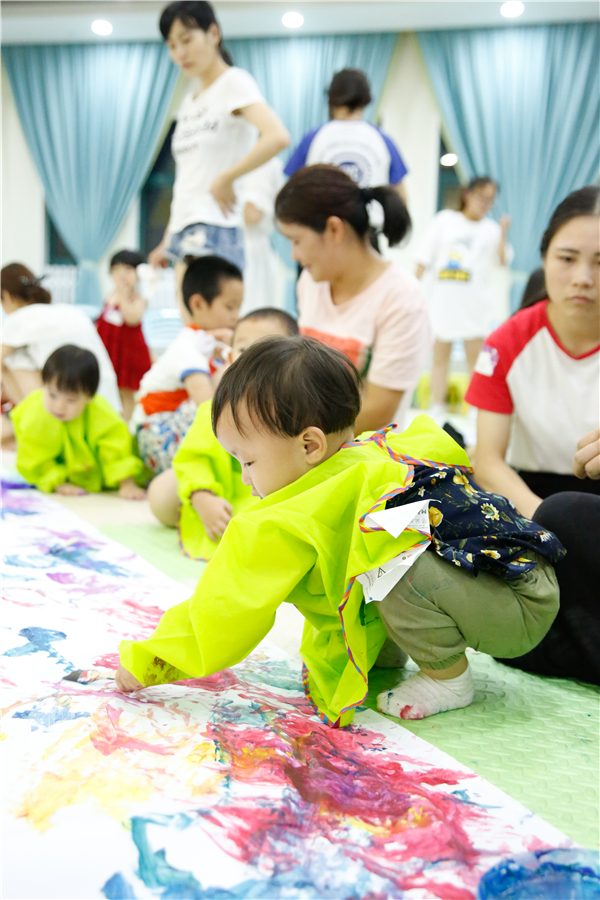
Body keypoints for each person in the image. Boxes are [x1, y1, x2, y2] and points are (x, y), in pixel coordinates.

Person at [115, 337, 563, 726]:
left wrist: (155, 660)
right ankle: (401, 652)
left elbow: (225, 609)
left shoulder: (291, 513)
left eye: (248, 462)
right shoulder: (368, 455)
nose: (245, 478)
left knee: (389, 564)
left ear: (310, 445)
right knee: (377, 557)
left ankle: (450, 681)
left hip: (513, 605)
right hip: (521, 581)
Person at [466, 185, 600, 686]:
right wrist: (542, 524)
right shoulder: (510, 341)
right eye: (567, 258)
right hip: (531, 504)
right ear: (544, 257)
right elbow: (489, 461)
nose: (583, 278)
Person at [148, 0, 289, 296]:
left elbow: (276, 136)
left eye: (187, 40)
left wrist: (227, 178)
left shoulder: (234, 82)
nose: (180, 53)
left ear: (213, 33)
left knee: (216, 328)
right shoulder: (190, 102)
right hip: (184, 227)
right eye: (172, 46)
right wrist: (168, 237)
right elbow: (188, 177)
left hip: (216, 225)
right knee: (194, 330)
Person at [275, 165, 431, 433]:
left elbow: (378, 412)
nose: (294, 255)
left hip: (363, 458)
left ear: (334, 229)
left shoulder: (401, 298)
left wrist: (297, 443)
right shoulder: (310, 283)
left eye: (297, 240)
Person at [147, 308, 299, 560]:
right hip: (219, 488)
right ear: (229, 357)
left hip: (264, 494)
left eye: (264, 352)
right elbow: (194, 458)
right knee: (160, 496)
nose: (250, 361)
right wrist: (201, 497)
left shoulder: (296, 407)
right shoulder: (217, 407)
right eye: (242, 350)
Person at [134, 255, 243, 475]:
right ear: (198, 304)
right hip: (154, 433)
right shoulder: (188, 346)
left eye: (239, 308)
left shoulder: (210, 343)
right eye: (230, 307)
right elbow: (207, 405)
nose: (236, 316)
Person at [415, 177, 512, 420]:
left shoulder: (491, 230)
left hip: (474, 304)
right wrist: (412, 291)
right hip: (442, 301)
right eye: (482, 196)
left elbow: (502, 261)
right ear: (468, 194)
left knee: (475, 359)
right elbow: (424, 258)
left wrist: (503, 233)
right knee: (439, 357)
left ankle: (475, 408)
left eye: (490, 199)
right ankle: (438, 405)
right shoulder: (445, 220)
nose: (485, 203)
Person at [10, 345, 146, 499]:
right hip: (60, 474)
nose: (59, 406)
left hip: (98, 474)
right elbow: (34, 454)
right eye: (52, 395)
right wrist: (56, 481)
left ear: (89, 397)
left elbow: (116, 447)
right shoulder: (35, 412)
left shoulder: (100, 412)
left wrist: (126, 483)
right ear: (44, 385)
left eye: (71, 400)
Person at [1, 263, 121, 423]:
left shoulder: (21, 317)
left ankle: (29, 418)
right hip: (107, 403)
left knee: (12, 358)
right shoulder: (66, 310)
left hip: (72, 405)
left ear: (6, 295)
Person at [285, 68, 408, 204]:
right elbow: (401, 197)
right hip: (371, 223)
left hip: (323, 222)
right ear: (366, 99)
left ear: (331, 98)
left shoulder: (313, 138)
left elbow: (291, 190)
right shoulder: (383, 140)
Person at [96, 250, 152, 422]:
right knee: (111, 388)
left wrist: (122, 295)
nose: (121, 275)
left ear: (138, 274)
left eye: (127, 269)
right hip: (111, 351)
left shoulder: (138, 299)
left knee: (127, 392)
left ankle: (127, 424)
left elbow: (132, 319)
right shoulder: (109, 296)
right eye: (116, 269)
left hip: (129, 353)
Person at [239, 158, 286, 315]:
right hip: (241, 249)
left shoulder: (264, 161)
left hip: (250, 251)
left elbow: (253, 213)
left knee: (250, 317)